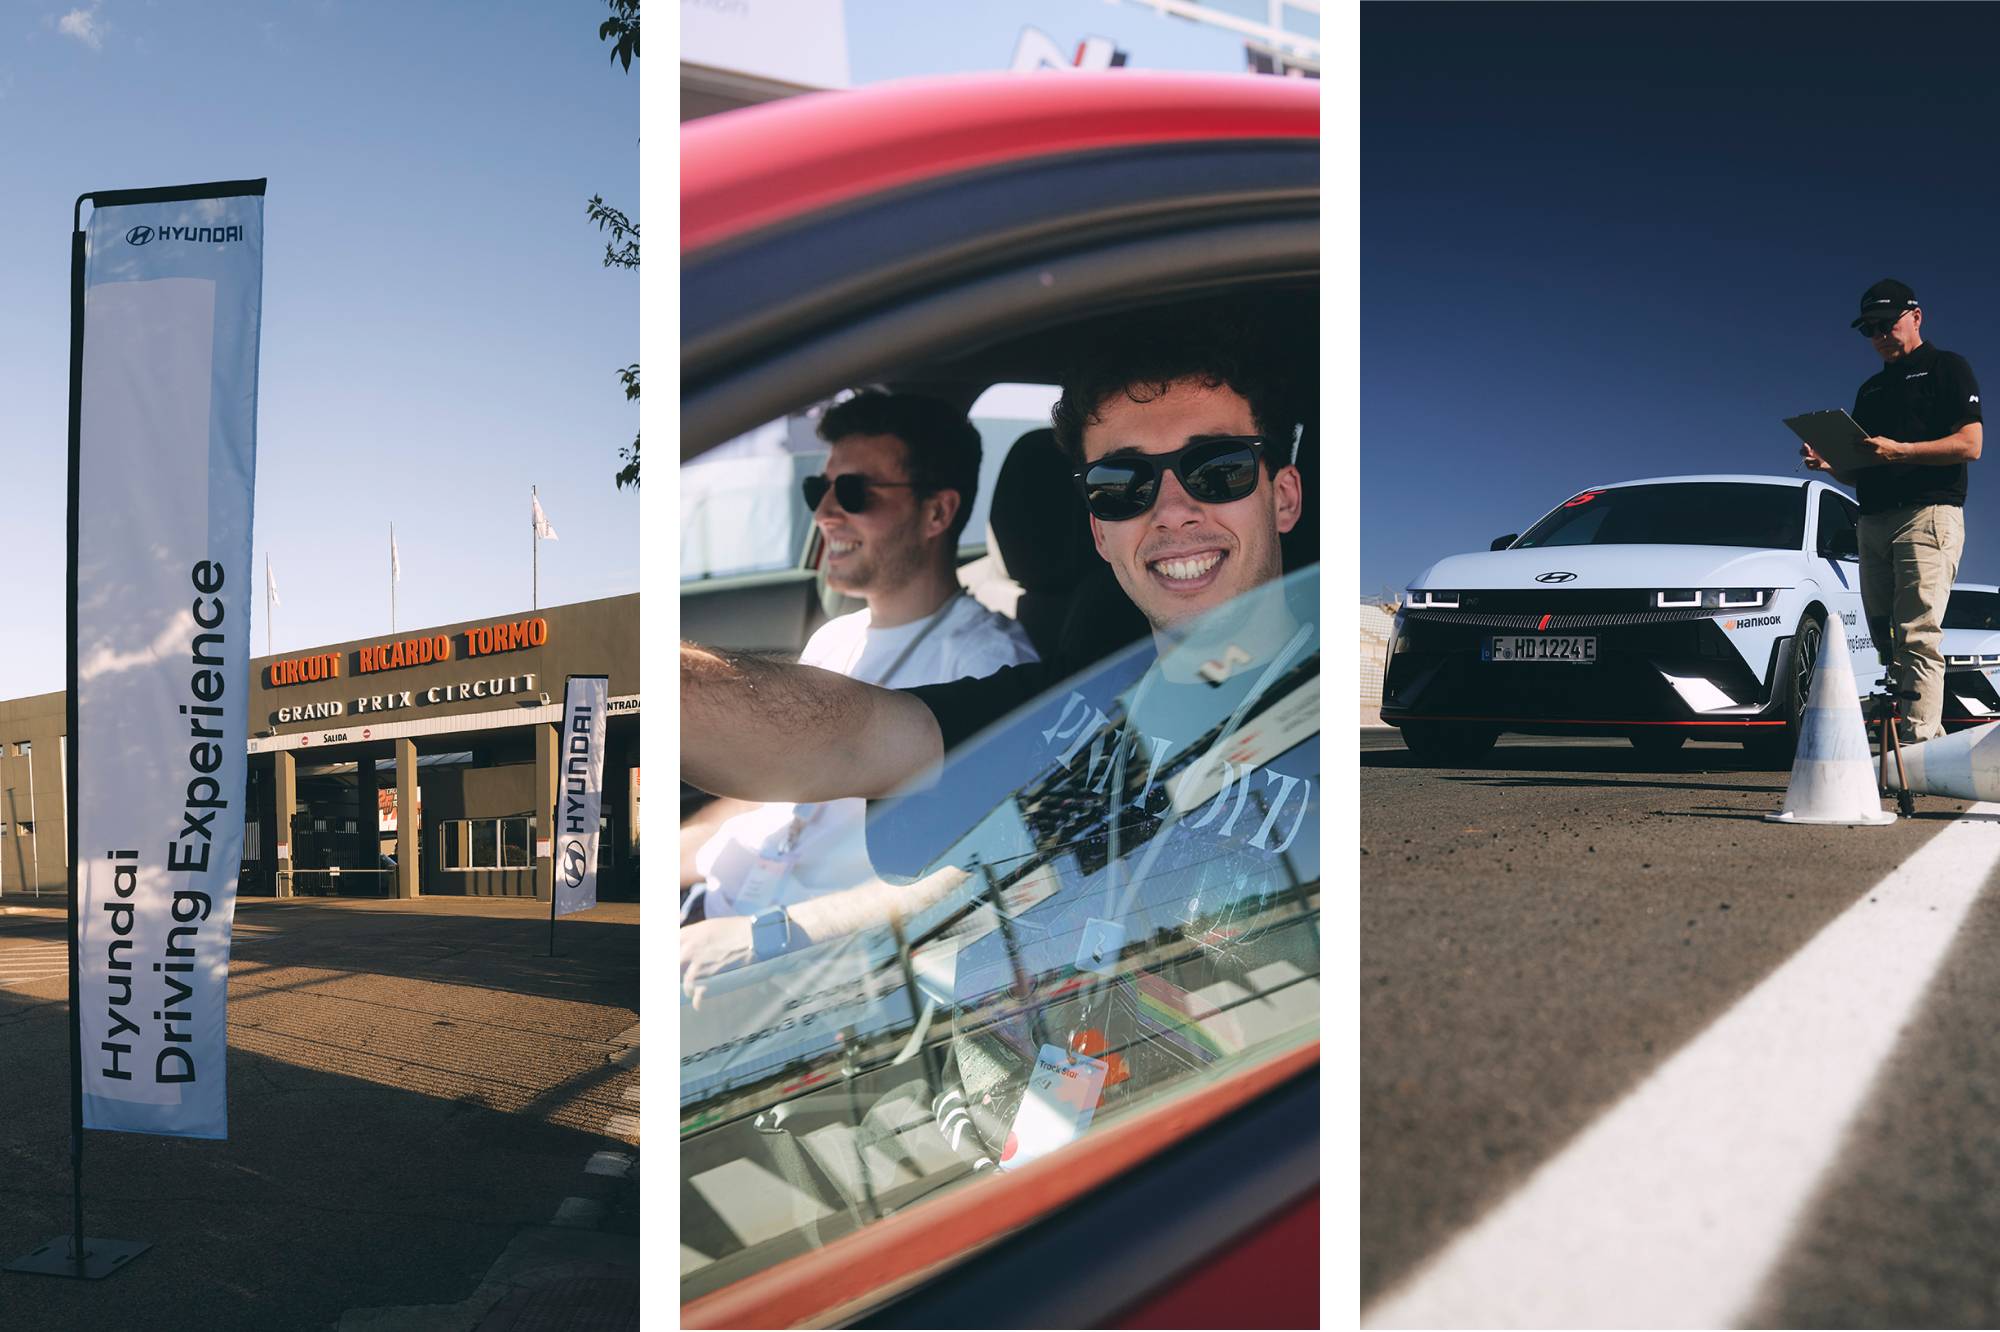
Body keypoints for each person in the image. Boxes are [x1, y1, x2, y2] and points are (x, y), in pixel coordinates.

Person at [681, 310, 1309, 998]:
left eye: (1215, 469)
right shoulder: (1080, 702)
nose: (1172, 511)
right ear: (1100, 532)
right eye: (1122, 485)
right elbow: (862, 757)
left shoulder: (1326, 713)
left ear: (1283, 497)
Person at [679, 391, 1038, 934]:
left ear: (937, 511)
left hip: (796, 957)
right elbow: (777, 799)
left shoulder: (990, 667)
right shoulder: (836, 636)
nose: (824, 513)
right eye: (817, 489)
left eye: (852, 492)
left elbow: (970, 884)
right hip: (718, 903)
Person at [1801, 279, 1982, 741]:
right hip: (1874, 520)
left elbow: (1970, 444)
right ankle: (1908, 738)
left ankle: (1920, 745)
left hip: (1928, 514)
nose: (1879, 335)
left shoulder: (1947, 368)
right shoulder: (1871, 390)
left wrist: (1902, 451)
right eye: (1870, 329)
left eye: (1887, 324)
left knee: (1918, 632)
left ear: (1915, 317)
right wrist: (1830, 465)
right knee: (1886, 639)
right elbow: (1865, 469)